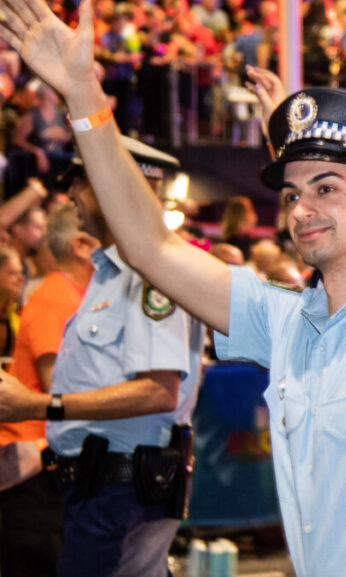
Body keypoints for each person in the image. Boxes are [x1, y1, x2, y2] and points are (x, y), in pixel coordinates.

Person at [0, 1, 346, 575]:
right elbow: (151, 247)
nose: (302, 209)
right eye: (293, 194)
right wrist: (83, 97)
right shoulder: (285, 321)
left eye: (326, 188)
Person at [0, 136, 204, 577]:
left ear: (115, 183)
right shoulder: (114, 270)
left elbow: (158, 391)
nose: (70, 192)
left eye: (83, 178)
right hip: (103, 485)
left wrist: (38, 406)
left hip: (120, 487)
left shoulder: (153, 272)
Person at [0, 204, 98, 577]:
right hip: (37, 477)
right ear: (82, 245)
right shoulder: (58, 300)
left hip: (49, 470)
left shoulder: (71, 297)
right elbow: (62, 389)